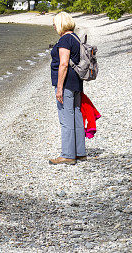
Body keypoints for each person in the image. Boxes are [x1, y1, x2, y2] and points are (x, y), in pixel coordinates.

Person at [49, 11, 86, 165]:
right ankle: (79, 152)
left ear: (60, 24)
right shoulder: (75, 38)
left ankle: (68, 155)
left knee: (66, 118)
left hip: (66, 83)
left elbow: (64, 64)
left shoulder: (64, 40)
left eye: (54, 23)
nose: (53, 26)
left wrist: (59, 88)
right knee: (76, 115)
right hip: (76, 81)